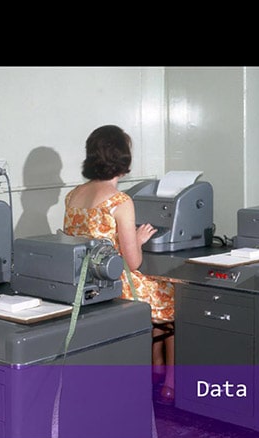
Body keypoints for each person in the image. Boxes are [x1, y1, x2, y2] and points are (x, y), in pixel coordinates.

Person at [62, 124, 176, 405]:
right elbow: (132, 262)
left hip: (83, 282)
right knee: (171, 295)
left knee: (159, 291)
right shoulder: (119, 201)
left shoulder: (72, 195)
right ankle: (170, 383)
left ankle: (156, 364)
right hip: (113, 284)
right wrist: (137, 238)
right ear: (123, 160)